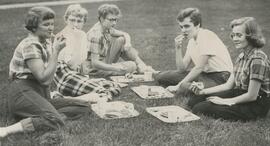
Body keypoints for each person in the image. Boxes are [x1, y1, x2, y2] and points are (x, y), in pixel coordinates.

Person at [0, 7, 91, 138]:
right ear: (33, 27)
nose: (51, 28)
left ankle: (43, 117)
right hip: (22, 92)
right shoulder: (30, 45)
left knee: (83, 107)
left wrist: (47, 99)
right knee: (55, 120)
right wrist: (56, 51)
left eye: (52, 24)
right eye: (46, 24)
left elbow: (45, 82)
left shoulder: (45, 41)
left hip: (38, 92)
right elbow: (44, 79)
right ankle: (7, 130)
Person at [190, 17, 270, 121]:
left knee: (201, 108)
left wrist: (226, 101)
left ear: (251, 37)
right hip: (240, 93)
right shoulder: (242, 56)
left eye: (239, 35)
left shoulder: (257, 60)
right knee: (195, 100)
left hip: (256, 104)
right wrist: (202, 91)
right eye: (233, 35)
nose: (235, 39)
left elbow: (252, 95)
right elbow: (228, 85)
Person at [154, 8, 233, 95]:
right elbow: (181, 69)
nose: (183, 30)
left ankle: (195, 88)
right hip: (204, 74)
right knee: (161, 77)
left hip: (220, 77)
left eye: (187, 26)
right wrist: (178, 48)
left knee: (184, 87)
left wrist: (178, 86)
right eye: (181, 27)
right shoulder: (192, 41)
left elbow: (199, 68)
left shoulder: (206, 36)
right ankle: (189, 85)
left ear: (197, 25)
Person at [53, 4, 120, 99]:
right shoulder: (61, 37)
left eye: (79, 21)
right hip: (63, 75)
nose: (75, 24)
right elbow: (71, 65)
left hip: (76, 73)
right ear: (66, 19)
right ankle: (67, 98)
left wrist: (84, 76)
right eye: (72, 20)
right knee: (104, 92)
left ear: (84, 22)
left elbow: (81, 60)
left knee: (111, 85)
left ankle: (68, 98)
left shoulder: (82, 35)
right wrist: (77, 40)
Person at [85, 4, 155, 77]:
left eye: (115, 20)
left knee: (121, 40)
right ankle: (140, 67)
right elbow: (95, 63)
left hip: (104, 60)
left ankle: (142, 65)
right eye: (111, 20)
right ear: (101, 18)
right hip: (93, 69)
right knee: (132, 65)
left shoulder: (105, 27)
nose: (114, 23)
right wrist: (116, 68)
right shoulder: (96, 35)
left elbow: (125, 34)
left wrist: (127, 43)